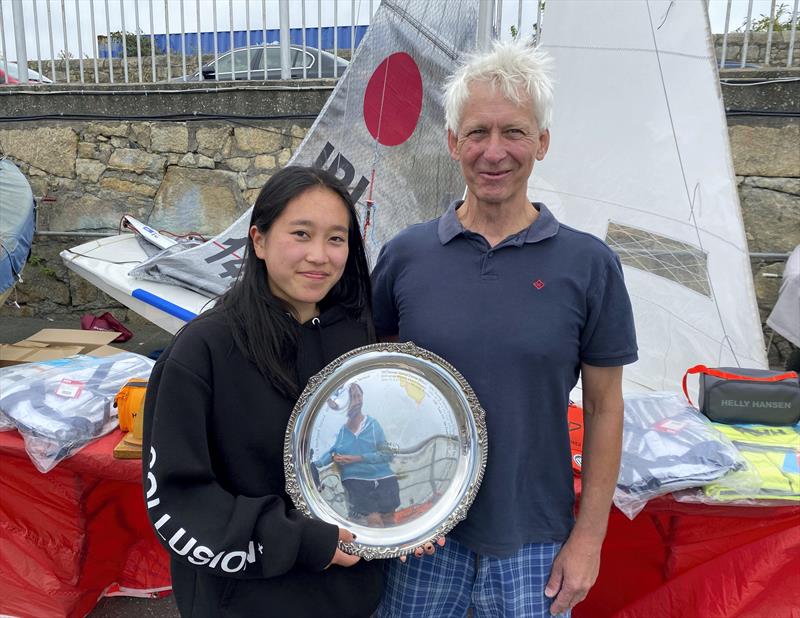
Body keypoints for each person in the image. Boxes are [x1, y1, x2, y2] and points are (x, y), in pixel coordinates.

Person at [371, 40, 638, 618]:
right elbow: (370, 384)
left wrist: (588, 539)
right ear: (452, 143)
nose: (495, 152)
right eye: (477, 132)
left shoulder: (589, 265)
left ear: (542, 142)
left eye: (514, 132)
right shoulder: (406, 256)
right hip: (417, 533)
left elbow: (604, 408)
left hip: (535, 538)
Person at [142, 166, 383, 618]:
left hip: (350, 599)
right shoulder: (203, 351)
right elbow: (180, 501)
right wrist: (301, 541)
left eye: (336, 238)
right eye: (301, 234)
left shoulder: (359, 343)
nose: (319, 255)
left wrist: (406, 515)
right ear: (258, 240)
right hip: (245, 601)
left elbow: (372, 455)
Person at [315, 382, 401, 527]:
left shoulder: (373, 425)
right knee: (375, 524)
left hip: (385, 479)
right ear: (345, 402)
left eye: (359, 396)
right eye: (352, 397)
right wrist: (322, 462)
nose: (357, 401)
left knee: (390, 523)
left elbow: (387, 455)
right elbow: (327, 457)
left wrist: (358, 458)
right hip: (356, 482)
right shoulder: (341, 432)